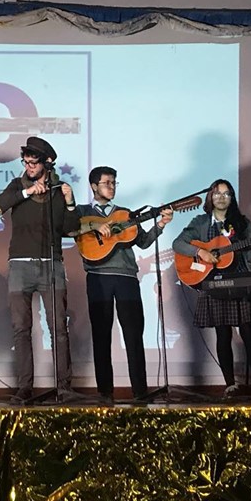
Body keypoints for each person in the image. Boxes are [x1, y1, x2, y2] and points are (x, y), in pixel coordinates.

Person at [0, 136, 81, 405]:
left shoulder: (58, 189)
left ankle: (63, 387)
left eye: (34, 163)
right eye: (26, 162)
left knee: (58, 329)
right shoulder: (17, 185)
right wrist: (28, 192)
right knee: (21, 328)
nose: (29, 166)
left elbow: (72, 229)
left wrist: (70, 203)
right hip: (19, 264)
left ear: (47, 163)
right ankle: (24, 388)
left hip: (51, 264)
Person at [73, 166, 173, 403]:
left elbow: (144, 242)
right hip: (97, 277)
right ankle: (104, 392)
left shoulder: (126, 214)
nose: (112, 186)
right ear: (94, 186)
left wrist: (160, 225)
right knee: (101, 335)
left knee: (133, 334)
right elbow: (68, 229)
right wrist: (94, 227)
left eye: (114, 182)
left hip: (127, 278)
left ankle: (140, 391)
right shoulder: (82, 212)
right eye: (107, 182)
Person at [172, 179, 251, 398]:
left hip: (240, 281)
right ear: (210, 197)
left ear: (232, 198)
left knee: (248, 331)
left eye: (226, 194)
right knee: (222, 333)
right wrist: (201, 253)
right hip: (214, 282)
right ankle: (230, 385)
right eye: (217, 193)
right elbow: (178, 244)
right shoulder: (200, 222)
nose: (221, 197)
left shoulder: (243, 224)